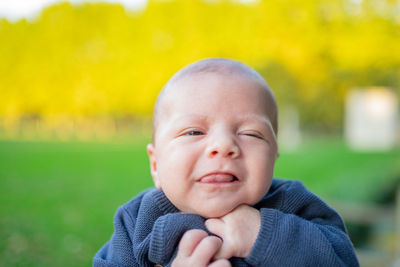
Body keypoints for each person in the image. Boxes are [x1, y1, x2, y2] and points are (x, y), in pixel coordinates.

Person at [93, 58, 359, 267]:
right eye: (194, 132)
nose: (223, 145)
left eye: (250, 133)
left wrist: (264, 235)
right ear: (155, 165)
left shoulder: (295, 207)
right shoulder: (137, 222)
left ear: (273, 157)